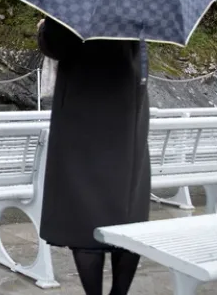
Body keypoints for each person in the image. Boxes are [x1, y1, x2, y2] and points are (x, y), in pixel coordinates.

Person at [37, 17, 151, 295]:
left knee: (84, 215)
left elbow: (56, 45)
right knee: (128, 211)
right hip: (127, 107)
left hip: (82, 111)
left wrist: (43, 29)